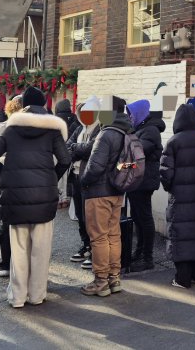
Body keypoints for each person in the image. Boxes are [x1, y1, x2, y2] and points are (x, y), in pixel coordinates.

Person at [0, 85, 70, 308]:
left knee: (19, 249)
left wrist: (7, 175)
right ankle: (37, 295)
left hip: (14, 197)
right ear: (43, 104)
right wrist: (51, 177)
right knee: (41, 250)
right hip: (45, 195)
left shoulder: (11, 129)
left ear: (24, 105)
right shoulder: (52, 130)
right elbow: (65, 160)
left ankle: (18, 297)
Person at [160, 103, 195, 288]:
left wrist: (171, 187)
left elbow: (166, 174)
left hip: (181, 199)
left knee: (182, 236)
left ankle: (183, 279)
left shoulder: (173, 142)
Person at [79, 97, 131, 296]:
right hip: (117, 191)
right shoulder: (126, 132)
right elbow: (125, 164)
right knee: (113, 235)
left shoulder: (106, 134)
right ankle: (114, 278)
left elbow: (95, 167)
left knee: (99, 237)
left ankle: (100, 281)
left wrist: (84, 181)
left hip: (98, 192)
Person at [125, 99, 165, 272]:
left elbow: (138, 154)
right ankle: (139, 252)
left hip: (144, 181)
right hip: (138, 181)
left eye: (131, 113)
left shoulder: (150, 130)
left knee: (144, 219)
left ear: (140, 114)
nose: (129, 116)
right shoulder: (141, 129)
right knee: (138, 218)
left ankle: (147, 258)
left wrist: (122, 163)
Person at [67, 97, 102, 269]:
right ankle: (85, 245)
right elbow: (67, 146)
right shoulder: (80, 129)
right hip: (75, 176)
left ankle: (94, 250)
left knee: (91, 217)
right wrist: (77, 148)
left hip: (88, 177)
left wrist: (76, 148)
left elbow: (91, 149)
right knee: (81, 216)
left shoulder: (100, 129)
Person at [0, 95, 24, 278]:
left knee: (5, 221)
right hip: (28, 180)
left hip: (6, 180)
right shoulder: (35, 128)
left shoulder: (3, 128)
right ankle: (18, 264)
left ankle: (5, 262)